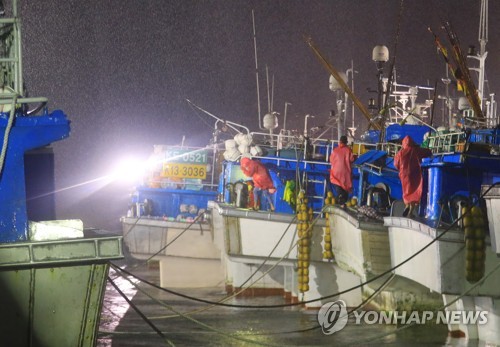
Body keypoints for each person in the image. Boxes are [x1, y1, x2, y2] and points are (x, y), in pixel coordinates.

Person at [394, 135, 432, 217]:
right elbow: (427, 152)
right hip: (414, 174)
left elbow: (396, 164)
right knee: (415, 192)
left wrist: (400, 169)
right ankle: (410, 212)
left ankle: (407, 206)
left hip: (403, 175)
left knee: (406, 192)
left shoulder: (400, 152)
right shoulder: (416, 150)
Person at [329, 135, 355, 206]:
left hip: (335, 173)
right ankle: (342, 201)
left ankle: (340, 199)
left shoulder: (335, 150)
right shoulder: (348, 150)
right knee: (345, 188)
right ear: (346, 142)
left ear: (339, 142)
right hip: (345, 173)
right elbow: (351, 159)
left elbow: (331, 160)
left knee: (338, 185)